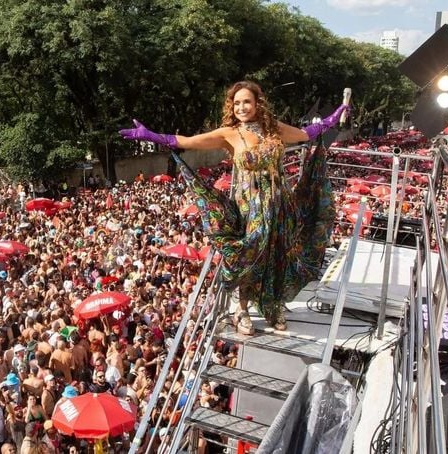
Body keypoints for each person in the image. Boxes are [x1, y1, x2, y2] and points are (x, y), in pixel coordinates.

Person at [120, 80, 346, 334]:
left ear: (257, 103)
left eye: (246, 101)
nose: (241, 107)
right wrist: (151, 135)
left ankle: (274, 306)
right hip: (249, 209)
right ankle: (242, 309)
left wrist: (332, 120)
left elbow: (306, 134)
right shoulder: (228, 133)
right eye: (236, 103)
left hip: (279, 204)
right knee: (251, 254)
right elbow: (187, 141)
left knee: (278, 254)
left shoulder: (274, 129)